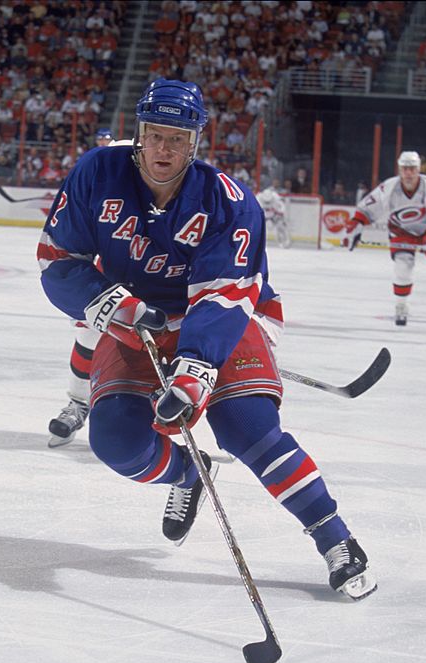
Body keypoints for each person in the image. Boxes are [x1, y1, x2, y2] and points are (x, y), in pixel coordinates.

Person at [37, 78, 376, 600]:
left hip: (221, 315)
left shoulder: (227, 201)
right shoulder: (96, 172)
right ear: (139, 134)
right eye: (155, 135)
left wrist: (194, 370)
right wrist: (120, 307)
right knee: (115, 441)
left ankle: (336, 539)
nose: (164, 150)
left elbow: (223, 297)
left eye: (177, 138)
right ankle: (186, 475)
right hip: (135, 321)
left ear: (195, 142)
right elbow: (59, 261)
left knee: (248, 429)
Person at [47, 131, 132, 448]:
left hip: (156, 280)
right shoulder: (98, 188)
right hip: (106, 280)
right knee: (87, 338)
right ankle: (78, 404)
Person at [344, 151, 426, 331]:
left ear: (419, 169)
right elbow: (367, 208)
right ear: (400, 169)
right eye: (405, 169)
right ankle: (401, 306)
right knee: (403, 266)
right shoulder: (389, 187)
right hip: (402, 230)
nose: (408, 173)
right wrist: (356, 225)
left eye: (412, 169)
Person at [255, 178, 291, 248]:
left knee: (280, 226)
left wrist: (280, 212)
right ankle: (256, 243)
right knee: (258, 228)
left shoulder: (276, 197)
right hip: (263, 216)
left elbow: (282, 207)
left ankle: (284, 242)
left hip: (274, 215)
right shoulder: (258, 198)